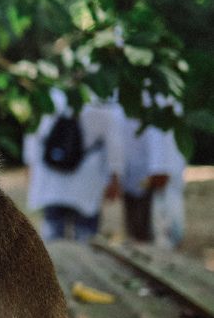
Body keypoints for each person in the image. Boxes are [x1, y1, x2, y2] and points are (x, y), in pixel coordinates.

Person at [23, 89, 124, 242]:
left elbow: (33, 136)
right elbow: (114, 143)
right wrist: (115, 176)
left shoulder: (50, 97)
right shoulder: (102, 103)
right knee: (85, 237)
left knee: (52, 237)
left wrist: (30, 167)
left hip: (51, 178)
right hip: (87, 180)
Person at [121, 112, 186, 248]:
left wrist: (159, 168)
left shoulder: (161, 104)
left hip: (155, 177)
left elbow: (162, 139)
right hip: (138, 177)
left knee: (157, 234)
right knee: (140, 235)